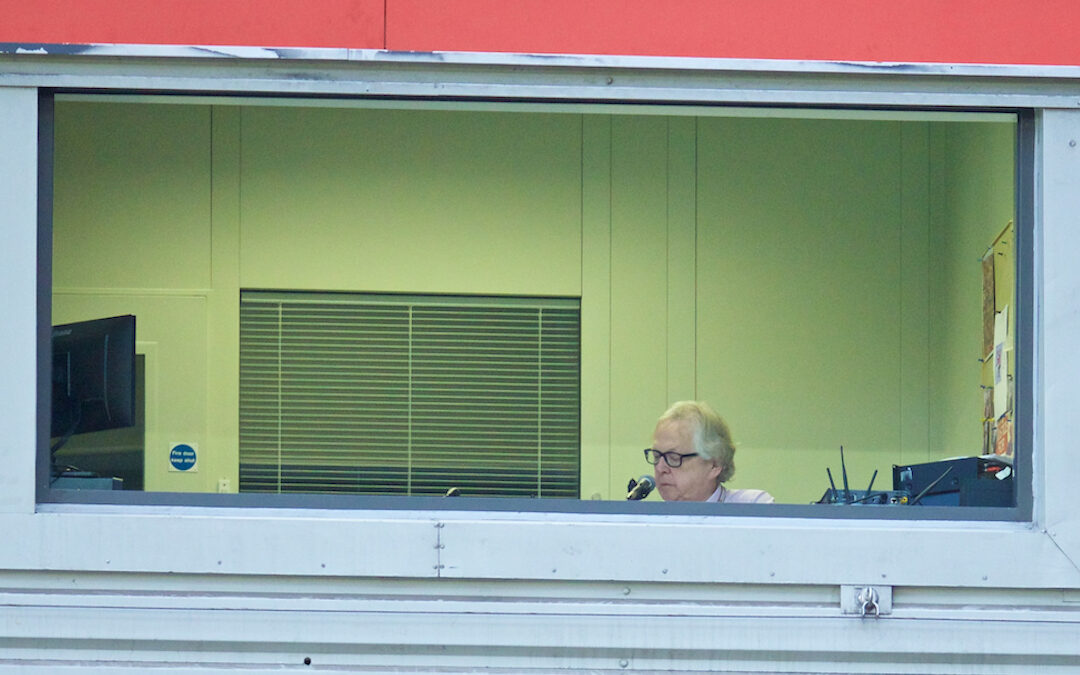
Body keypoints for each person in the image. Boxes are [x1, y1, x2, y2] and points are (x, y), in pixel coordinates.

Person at [645, 400, 774, 503]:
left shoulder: (751, 507)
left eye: (673, 457)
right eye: (656, 456)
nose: (660, 468)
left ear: (714, 464)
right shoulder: (645, 522)